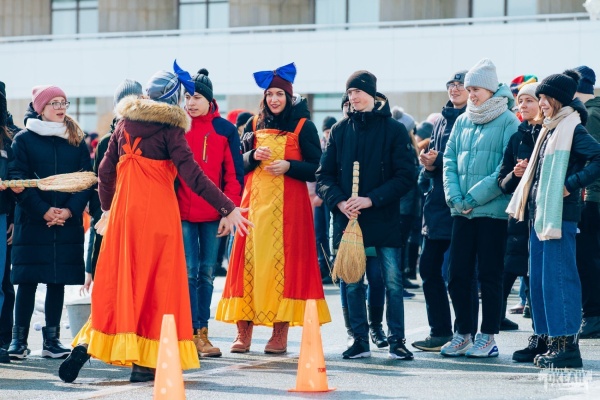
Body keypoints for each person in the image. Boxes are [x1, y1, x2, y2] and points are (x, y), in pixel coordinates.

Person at [58, 64, 251, 384]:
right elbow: (193, 176)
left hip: (123, 216)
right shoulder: (170, 129)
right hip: (159, 218)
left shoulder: (124, 124)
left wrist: (108, 209)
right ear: (173, 98)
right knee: (155, 288)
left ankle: (88, 342)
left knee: (119, 283)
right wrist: (227, 207)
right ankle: (144, 363)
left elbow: (104, 172)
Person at [216, 62, 331, 354]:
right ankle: (243, 330)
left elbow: (318, 168)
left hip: (290, 210)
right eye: (270, 94)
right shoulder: (253, 124)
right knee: (247, 266)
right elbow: (236, 166)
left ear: (289, 97)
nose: (274, 99)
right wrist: (253, 155)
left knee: (284, 267)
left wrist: (290, 166)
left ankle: (280, 332)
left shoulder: (304, 126)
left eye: (280, 94)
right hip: (253, 208)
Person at [317, 70, 416, 360]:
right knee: (351, 282)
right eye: (350, 93)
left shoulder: (394, 130)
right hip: (347, 219)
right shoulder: (340, 130)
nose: (353, 97)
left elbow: (406, 176)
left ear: (372, 94)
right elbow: (324, 176)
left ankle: (397, 340)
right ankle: (359, 339)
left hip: (384, 219)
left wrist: (371, 199)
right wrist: (339, 202)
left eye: (358, 91)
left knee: (392, 282)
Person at [507, 70, 600, 368]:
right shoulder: (551, 126)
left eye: (546, 98)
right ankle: (548, 339)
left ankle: (566, 347)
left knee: (560, 280)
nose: (542, 103)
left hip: (561, 215)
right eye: (541, 98)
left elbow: (598, 158)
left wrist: (570, 185)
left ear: (559, 100)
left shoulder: (572, 127)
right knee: (541, 281)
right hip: (541, 213)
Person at [441, 59, 520, 358]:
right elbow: (449, 160)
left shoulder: (509, 120)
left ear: (490, 89)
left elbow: (504, 167)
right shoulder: (463, 120)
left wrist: (472, 199)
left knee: (490, 274)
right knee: (457, 274)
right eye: (469, 88)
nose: (470, 94)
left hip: (492, 211)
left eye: (475, 89)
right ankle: (462, 333)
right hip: (461, 211)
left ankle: (488, 336)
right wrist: (455, 197)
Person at [7, 85, 93, 360]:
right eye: (54, 103)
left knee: (58, 280)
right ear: (41, 108)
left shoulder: (75, 138)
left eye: (63, 102)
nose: (60, 107)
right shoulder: (23, 139)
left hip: (66, 221)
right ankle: (18, 340)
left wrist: (69, 212)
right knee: (28, 280)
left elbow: (87, 180)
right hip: (33, 220)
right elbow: (18, 178)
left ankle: (52, 340)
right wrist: (43, 210)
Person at [178, 68, 242, 358]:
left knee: (206, 273)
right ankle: (190, 332)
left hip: (215, 214)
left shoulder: (225, 129)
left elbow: (234, 175)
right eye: (187, 97)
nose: (191, 103)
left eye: (197, 98)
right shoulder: (176, 127)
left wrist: (229, 210)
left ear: (209, 100)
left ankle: (202, 332)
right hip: (181, 212)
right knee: (188, 272)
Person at [411, 70, 468, 352]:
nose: (454, 89)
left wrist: (438, 160)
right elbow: (434, 160)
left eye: (460, 85)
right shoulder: (442, 118)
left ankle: (464, 332)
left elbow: (470, 162)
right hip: (435, 205)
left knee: (460, 275)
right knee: (428, 269)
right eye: (451, 85)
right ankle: (440, 331)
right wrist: (427, 164)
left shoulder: (473, 118)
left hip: (462, 206)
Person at [497, 82, 546, 361]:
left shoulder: (550, 132)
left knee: (538, 282)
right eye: (521, 101)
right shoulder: (517, 136)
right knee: (507, 273)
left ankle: (543, 337)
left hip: (543, 216)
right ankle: (490, 329)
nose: (523, 106)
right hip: (518, 219)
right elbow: (502, 182)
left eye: (529, 100)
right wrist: (515, 174)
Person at [574, 65, 600, 339]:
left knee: (588, 259)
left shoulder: (589, 116)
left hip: (591, 198)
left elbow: (592, 160)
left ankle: (592, 316)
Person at [0, 81, 17, 364]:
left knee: (2, 283)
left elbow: (16, 180)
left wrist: (14, 218)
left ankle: (2, 340)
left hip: (2, 216)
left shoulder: (8, 139)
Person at [313, 115, 336, 284]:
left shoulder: (335, 145)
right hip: (318, 196)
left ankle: (332, 268)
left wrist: (321, 195)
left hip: (329, 196)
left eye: (330, 131)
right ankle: (323, 267)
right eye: (326, 131)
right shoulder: (319, 146)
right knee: (319, 232)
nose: (328, 134)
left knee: (330, 233)